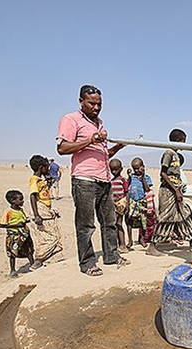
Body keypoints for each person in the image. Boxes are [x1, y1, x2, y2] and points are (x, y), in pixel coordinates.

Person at [56, 84, 129, 276]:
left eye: (99, 104)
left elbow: (102, 153)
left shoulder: (100, 123)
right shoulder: (71, 119)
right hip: (84, 180)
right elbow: (62, 148)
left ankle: (111, 256)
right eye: (92, 104)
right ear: (81, 101)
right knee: (86, 224)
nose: (96, 108)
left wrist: (118, 148)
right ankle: (87, 263)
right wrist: (91, 139)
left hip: (104, 180)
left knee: (109, 221)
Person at [147, 128, 192, 256]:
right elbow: (163, 173)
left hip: (176, 190)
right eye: (182, 142)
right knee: (165, 217)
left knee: (185, 214)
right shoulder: (168, 153)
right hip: (168, 192)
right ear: (177, 141)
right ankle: (152, 245)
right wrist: (176, 190)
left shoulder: (176, 155)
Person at [29, 155, 63, 268]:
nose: (48, 170)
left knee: (56, 237)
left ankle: (43, 260)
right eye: (46, 168)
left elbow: (43, 194)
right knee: (51, 238)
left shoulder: (40, 181)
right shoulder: (34, 180)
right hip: (40, 210)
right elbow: (33, 196)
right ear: (40, 168)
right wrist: (36, 215)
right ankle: (39, 259)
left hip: (46, 209)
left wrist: (48, 182)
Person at [0, 190, 35, 277]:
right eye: (21, 199)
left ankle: (33, 265)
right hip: (14, 235)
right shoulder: (8, 211)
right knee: (12, 253)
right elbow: (1, 225)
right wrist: (15, 225)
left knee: (29, 250)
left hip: (24, 235)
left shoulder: (21, 210)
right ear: (12, 200)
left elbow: (23, 219)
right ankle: (13, 270)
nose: (23, 201)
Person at [127, 157, 156, 247]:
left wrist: (142, 177)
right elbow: (128, 187)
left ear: (143, 167)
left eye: (138, 168)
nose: (136, 170)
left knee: (143, 222)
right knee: (130, 221)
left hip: (142, 202)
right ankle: (130, 240)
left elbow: (147, 189)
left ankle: (142, 239)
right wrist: (128, 177)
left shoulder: (147, 177)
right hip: (133, 202)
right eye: (134, 168)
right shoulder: (132, 177)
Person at [109, 159, 129, 253]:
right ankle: (118, 244)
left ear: (121, 169)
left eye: (116, 169)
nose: (113, 172)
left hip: (121, 204)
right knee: (115, 224)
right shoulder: (111, 181)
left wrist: (127, 205)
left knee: (119, 224)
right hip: (113, 205)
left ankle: (123, 245)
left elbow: (126, 192)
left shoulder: (122, 180)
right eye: (112, 170)